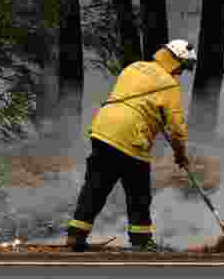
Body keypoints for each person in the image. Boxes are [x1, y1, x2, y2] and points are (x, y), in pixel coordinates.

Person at [65, 40, 197, 252]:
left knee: (95, 186)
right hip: (131, 137)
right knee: (138, 193)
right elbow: (177, 127)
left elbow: (133, 98)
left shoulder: (134, 67)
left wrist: (155, 115)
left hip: (103, 129)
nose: (181, 73)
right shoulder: (169, 85)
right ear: (175, 60)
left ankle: (76, 235)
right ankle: (141, 241)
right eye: (183, 67)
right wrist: (180, 154)